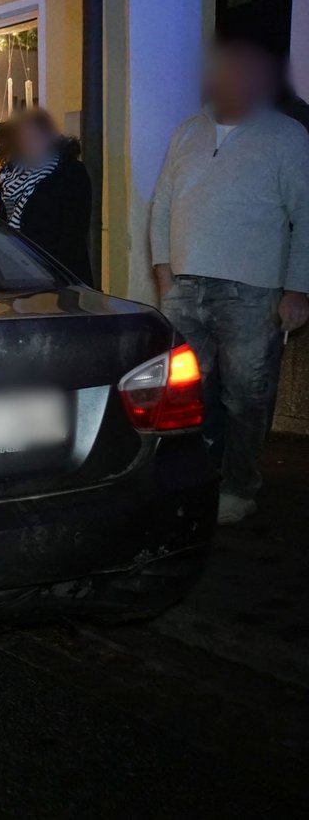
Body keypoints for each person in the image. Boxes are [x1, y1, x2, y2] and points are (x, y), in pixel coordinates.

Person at [150, 37, 309, 525]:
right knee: (184, 393)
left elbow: (306, 215)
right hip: (186, 288)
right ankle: (195, 477)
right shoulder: (187, 132)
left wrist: (297, 289)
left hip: (252, 289)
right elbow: (162, 206)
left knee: (247, 394)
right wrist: (163, 275)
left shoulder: (286, 135)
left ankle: (240, 486)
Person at [0, 109, 93, 284]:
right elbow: (1, 226)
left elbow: (73, 235)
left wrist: (57, 278)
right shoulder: (10, 176)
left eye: (34, 138)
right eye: (23, 139)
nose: (28, 144)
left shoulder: (70, 172)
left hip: (58, 277)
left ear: (49, 137)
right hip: (16, 276)